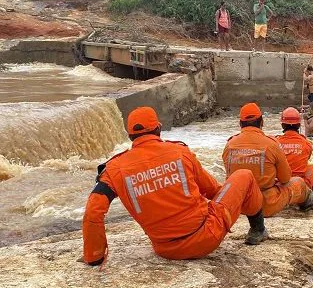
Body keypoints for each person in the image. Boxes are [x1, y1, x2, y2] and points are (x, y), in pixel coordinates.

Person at [82, 107, 267, 266]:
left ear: (130, 136)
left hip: (165, 249)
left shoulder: (114, 168)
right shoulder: (180, 151)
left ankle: (94, 255)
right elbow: (212, 190)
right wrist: (233, 202)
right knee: (244, 175)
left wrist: (94, 256)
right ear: (158, 129)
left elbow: (93, 210)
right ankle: (258, 230)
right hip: (206, 237)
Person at [222, 103, 313, 217]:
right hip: (264, 204)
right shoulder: (272, 144)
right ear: (262, 122)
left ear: (240, 123)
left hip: (238, 203)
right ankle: (306, 200)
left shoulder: (229, 144)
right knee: (298, 182)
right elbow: (285, 178)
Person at [276, 107, 313, 190]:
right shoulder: (306, 143)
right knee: (312, 168)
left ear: (282, 125)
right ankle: (311, 192)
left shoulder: (275, 142)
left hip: (280, 185)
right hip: (299, 185)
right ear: (299, 125)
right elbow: (305, 159)